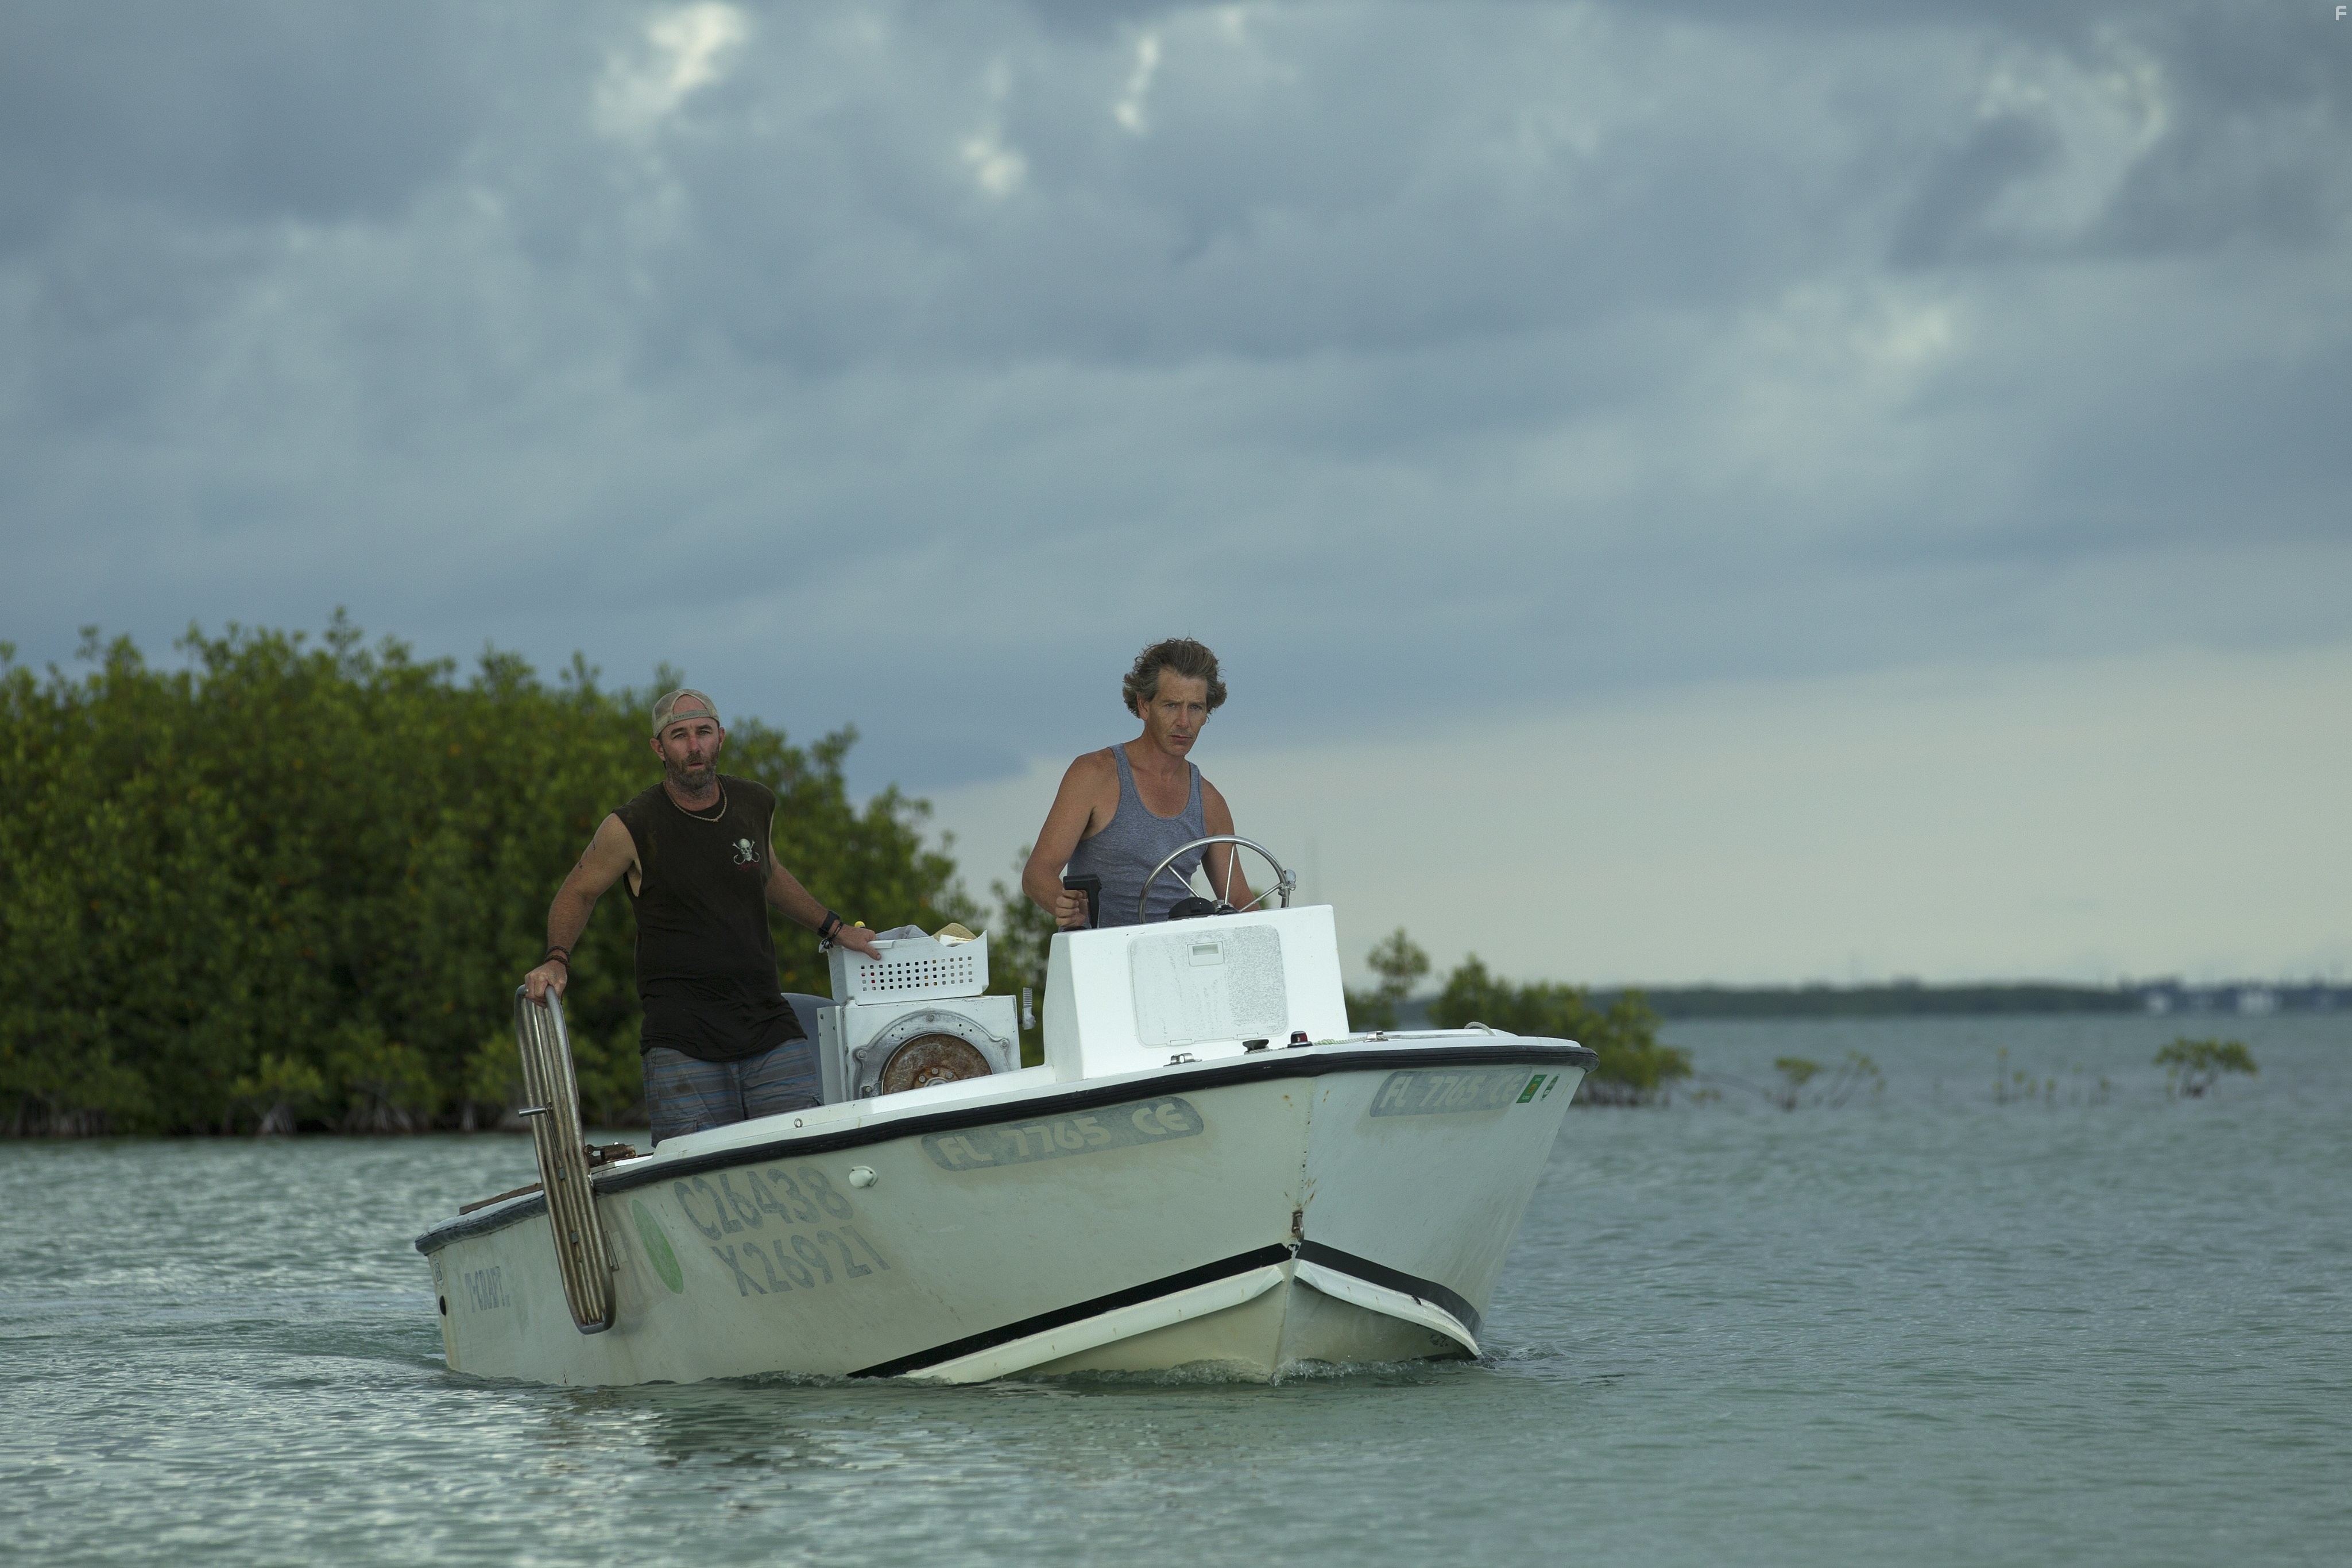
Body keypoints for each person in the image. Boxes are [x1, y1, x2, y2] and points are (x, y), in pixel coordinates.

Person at [521, 688, 881, 1144]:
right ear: (659, 747)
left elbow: (767, 873)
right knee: (693, 1166)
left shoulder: (755, 803)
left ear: (720, 738)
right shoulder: (633, 824)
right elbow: (578, 891)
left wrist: (836, 927)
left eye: (703, 733)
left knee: (806, 1151)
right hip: (682, 1041)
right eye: (679, 735)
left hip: (769, 1028)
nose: (694, 746)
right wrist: (557, 959)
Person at [1022, 638, 1255, 929]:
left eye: (1195, 707)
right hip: (1098, 957)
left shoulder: (1210, 802)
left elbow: (1239, 898)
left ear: (1207, 714)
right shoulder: (1093, 775)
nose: (1184, 721)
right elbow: (1037, 873)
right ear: (1144, 706)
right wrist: (1061, 901)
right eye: (1171, 705)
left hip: (1178, 960)